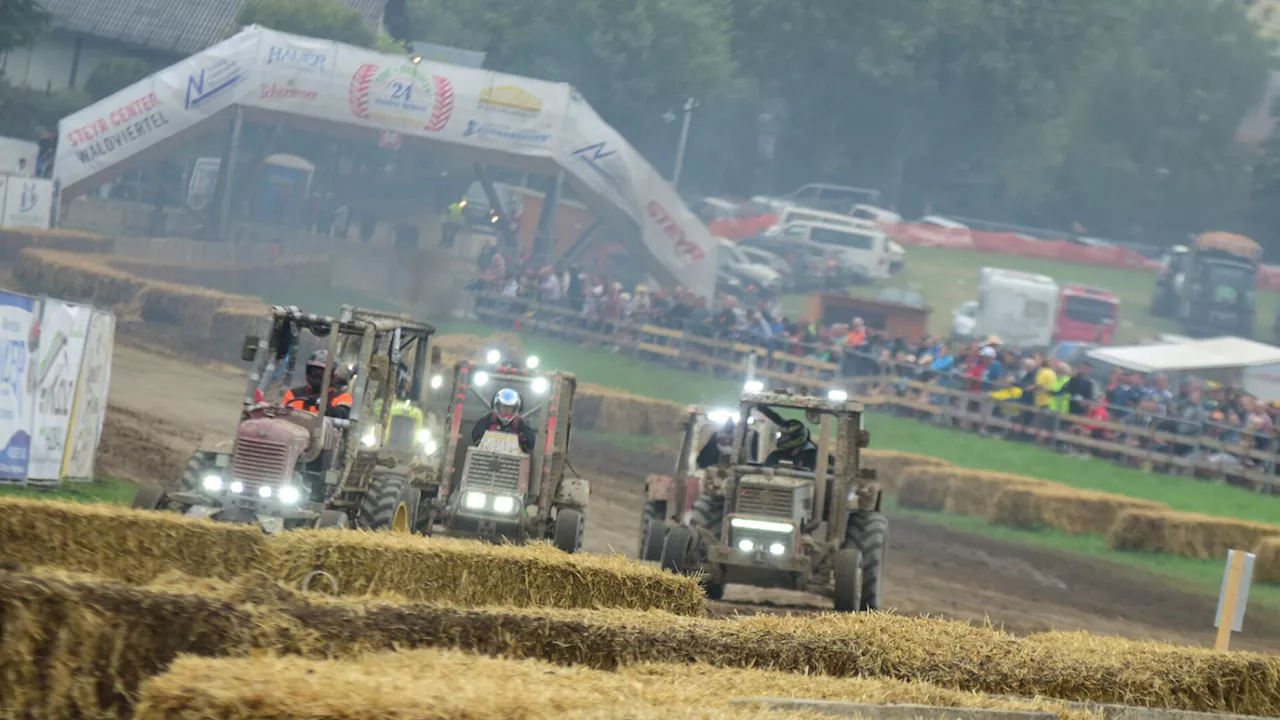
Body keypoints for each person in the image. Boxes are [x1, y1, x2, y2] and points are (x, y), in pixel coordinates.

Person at [282, 350, 353, 419]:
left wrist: (320, 404)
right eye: (313, 371)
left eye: (321, 373)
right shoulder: (293, 395)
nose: (316, 375)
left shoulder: (342, 397)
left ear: (332, 376)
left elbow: (342, 415)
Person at [471, 387, 536, 453]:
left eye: (509, 407)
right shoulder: (488, 419)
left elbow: (531, 440)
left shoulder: (520, 423)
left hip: (513, 459)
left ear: (515, 408)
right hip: (486, 455)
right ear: (498, 406)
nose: (506, 410)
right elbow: (476, 433)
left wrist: (521, 438)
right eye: (504, 407)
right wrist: (485, 435)